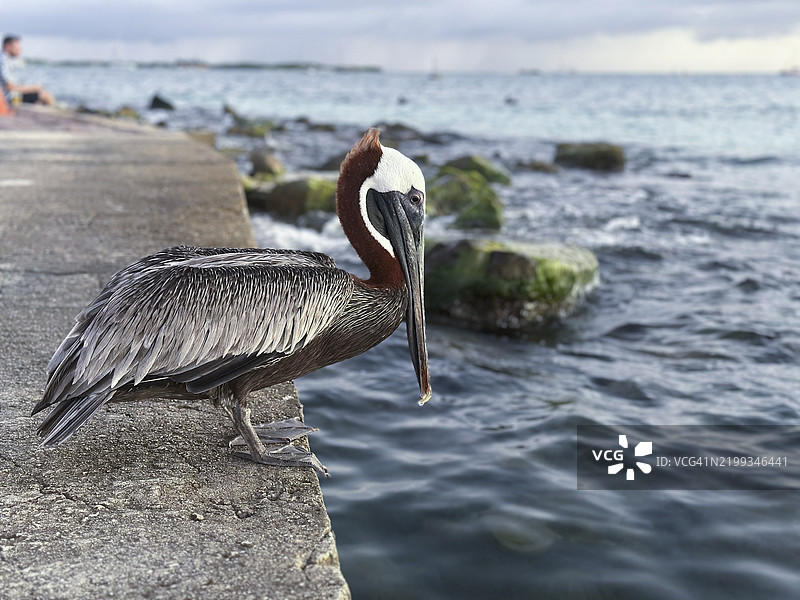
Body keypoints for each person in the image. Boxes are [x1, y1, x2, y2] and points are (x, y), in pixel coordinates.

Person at [0, 34, 56, 106]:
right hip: (8, 99)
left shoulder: (7, 60)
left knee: (39, 99)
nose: (19, 50)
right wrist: (33, 88)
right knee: (45, 96)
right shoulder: (4, 61)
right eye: (17, 47)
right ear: (7, 46)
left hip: (9, 97)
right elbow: (10, 87)